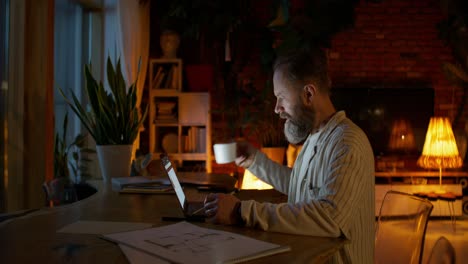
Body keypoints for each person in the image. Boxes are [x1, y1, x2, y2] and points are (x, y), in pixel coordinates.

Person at [203, 48, 375, 263]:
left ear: (308, 94)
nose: (277, 108)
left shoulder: (347, 142)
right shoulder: (316, 135)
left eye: (281, 97)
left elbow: (330, 217)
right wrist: (253, 160)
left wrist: (240, 211)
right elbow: (299, 184)